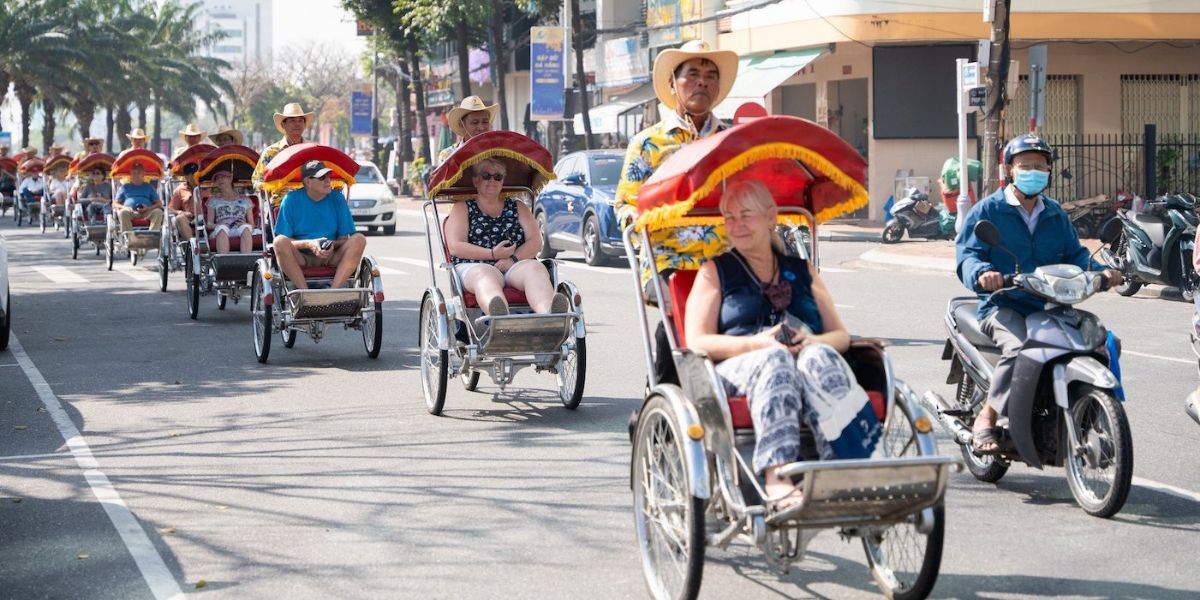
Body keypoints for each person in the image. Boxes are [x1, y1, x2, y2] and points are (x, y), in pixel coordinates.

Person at [684, 180, 854, 504]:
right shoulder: (715, 271)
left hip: (801, 363)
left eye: (746, 215)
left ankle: (843, 466)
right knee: (774, 360)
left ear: (771, 216)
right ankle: (777, 474)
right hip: (733, 371)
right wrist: (757, 344)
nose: (736, 225)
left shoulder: (802, 271)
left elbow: (841, 336)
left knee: (820, 355)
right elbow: (697, 341)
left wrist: (812, 340)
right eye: (729, 217)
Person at [956, 134, 1123, 454]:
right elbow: (968, 257)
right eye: (1025, 166)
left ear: (1049, 171)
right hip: (1004, 305)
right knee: (1020, 349)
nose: (1034, 171)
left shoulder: (1055, 214)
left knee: (1098, 341)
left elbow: (1075, 256)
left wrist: (1102, 272)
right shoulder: (987, 211)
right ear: (1009, 171)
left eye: (1040, 166)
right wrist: (983, 274)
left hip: (1050, 304)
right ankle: (987, 417)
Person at [615, 39, 739, 383]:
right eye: (693, 74)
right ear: (673, 83)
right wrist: (646, 219)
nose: (703, 81)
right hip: (667, 260)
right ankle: (665, 392)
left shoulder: (732, 142)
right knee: (682, 315)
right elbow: (625, 204)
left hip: (726, 258)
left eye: (711, 75)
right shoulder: (647, 143)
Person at [445, 158, 569, 319]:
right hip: (474, 265)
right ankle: (500, 317)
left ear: (503, 181)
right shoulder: (462, 207)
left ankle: (549, 315)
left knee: (535, 269)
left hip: (513, 264)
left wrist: (513, 259)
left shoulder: (518, 207)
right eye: (486, 176)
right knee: (484, 275)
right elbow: (455, 246)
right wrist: (492, 254)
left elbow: (535, 241)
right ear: (475, 180)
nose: (492, 181)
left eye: (498, 177)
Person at [272, 160, 366, 289]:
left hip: (331, 255)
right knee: (279, 242)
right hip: (301, 256)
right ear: (307, 182)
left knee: (359, 239)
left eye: (328, 176)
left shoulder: (337, 198)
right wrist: (310, 244)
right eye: (321, 178)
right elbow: (286, 239)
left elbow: (344, 239)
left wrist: (331, 244)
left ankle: (334, 291)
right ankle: (304, 294)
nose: (327, 181)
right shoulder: (291, 200)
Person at [253, 103, 314, 207]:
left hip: (311, 201)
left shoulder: (312, 150)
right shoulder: (270, 152)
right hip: (281, 203)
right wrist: (274, 187)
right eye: (292, 120)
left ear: (304, 124)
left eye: (300, 120)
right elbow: (257, 180)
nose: (297, 124)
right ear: (283, 125)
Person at [436, 96, 498, 167]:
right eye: (475, 122)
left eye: (485, 122)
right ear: (462, 124)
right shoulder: (448, 155)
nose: (481, 128)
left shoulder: (498, 153)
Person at [206, 170, 255, 253]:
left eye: (222, 177)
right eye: (217, 179)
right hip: (220, 229)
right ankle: (224, 261)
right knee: (222, 228)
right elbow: (209, 224)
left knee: (246, 228)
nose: (220, 180)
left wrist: (245, 224)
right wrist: (219, 225)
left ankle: (246, 261)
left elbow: (252, 224)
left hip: (240, 228)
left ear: (230, 178)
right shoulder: (213, 200)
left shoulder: (246, 200)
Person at [114, 163, 163, 233]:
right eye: (134, 173)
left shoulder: (149, 187)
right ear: (130, 174)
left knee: (158, 212)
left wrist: (148, 208)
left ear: (143, 174)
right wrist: (124, 207)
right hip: (130, 212)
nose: (136, 175)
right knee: (123, 213)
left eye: (139, 172)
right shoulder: (124, 187)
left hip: (147, 211)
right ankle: (128, 238)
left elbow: (159, 204)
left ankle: (152, 236)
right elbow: (115, 204)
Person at [168, 165, 199, 240]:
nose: (192, 176)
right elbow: (170, 209)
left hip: (208, 218)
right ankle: (192, 246)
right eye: (189, 174)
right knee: (180, 218)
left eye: (194, 174)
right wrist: (181, 212)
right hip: (190, 220)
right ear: (186, 176)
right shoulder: (180, 189)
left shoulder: (208, 186)